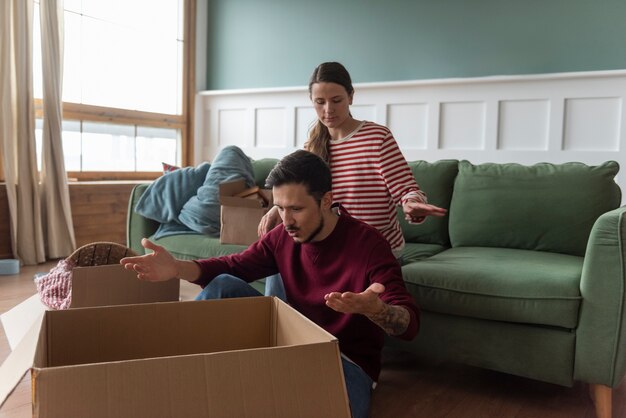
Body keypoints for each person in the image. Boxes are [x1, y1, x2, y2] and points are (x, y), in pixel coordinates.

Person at [121, 150, 420, 418]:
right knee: (224, 284)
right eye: (280, 208)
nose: (286, 220)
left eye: (296, 209)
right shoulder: (282, 237)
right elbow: (234, 266)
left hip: (343, 360)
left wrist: (377, 310)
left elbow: (409, 323)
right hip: (287, 344)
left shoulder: (368, 244)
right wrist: (176, 268)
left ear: (327, 200)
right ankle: (180, 372)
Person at [259, 61, 447, 298]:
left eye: (336, 100)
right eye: (320, 102)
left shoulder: (377, 138)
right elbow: (297, 194)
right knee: (280, 250)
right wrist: (277, 209)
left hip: (372, 250)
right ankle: (277, 320)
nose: (328, 109)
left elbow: (405, 189)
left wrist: (411, 203)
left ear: (351, 97)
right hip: (331, 245)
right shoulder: (312, 146)